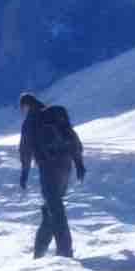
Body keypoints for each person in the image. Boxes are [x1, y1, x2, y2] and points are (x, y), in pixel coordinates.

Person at [16, 94, 85, 260]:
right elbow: (74, 139)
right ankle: (38, 253)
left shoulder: (32, 120)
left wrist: (24, 173)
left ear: (26, 106)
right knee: (51, 208)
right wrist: (78, 163)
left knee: (55, 209)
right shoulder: (57, 114)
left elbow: (25, 150)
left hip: (48, 168)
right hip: (65, 166)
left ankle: (65, 252)